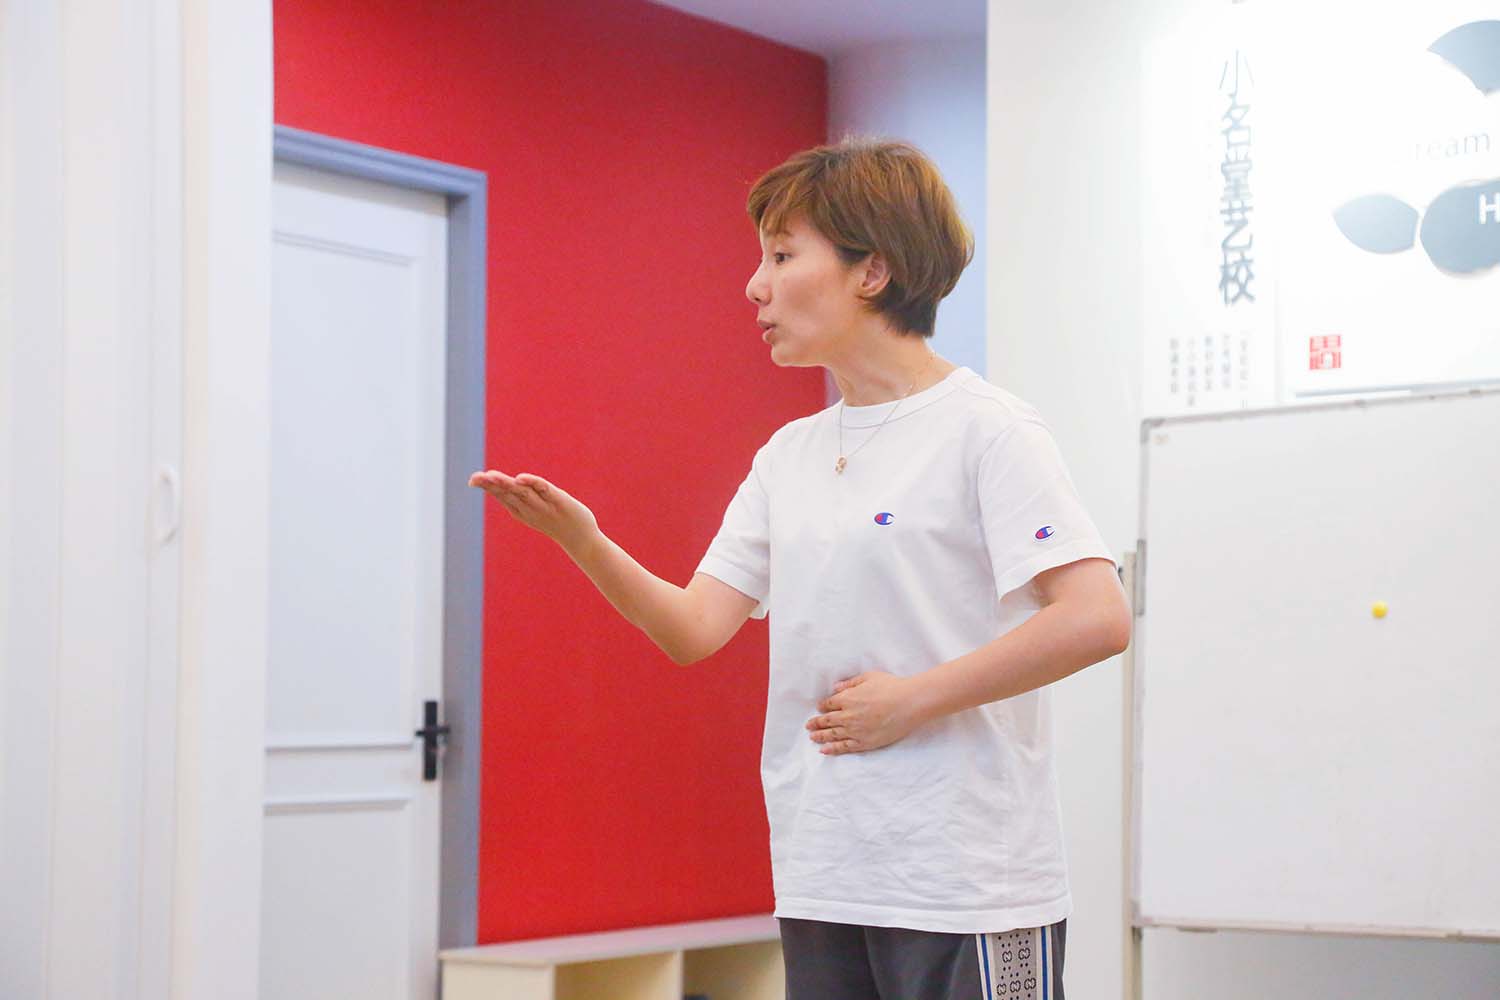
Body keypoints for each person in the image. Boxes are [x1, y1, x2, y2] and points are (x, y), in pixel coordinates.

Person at [469, 136, 1131, 1000]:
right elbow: (693, 629)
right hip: (825, 873)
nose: (756, 286)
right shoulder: (788, 454)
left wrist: (914, 698)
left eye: (782, 257)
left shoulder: (989, 430)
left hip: (968, 883)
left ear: (872, 272)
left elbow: (1096, 616)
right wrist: (586, 541)